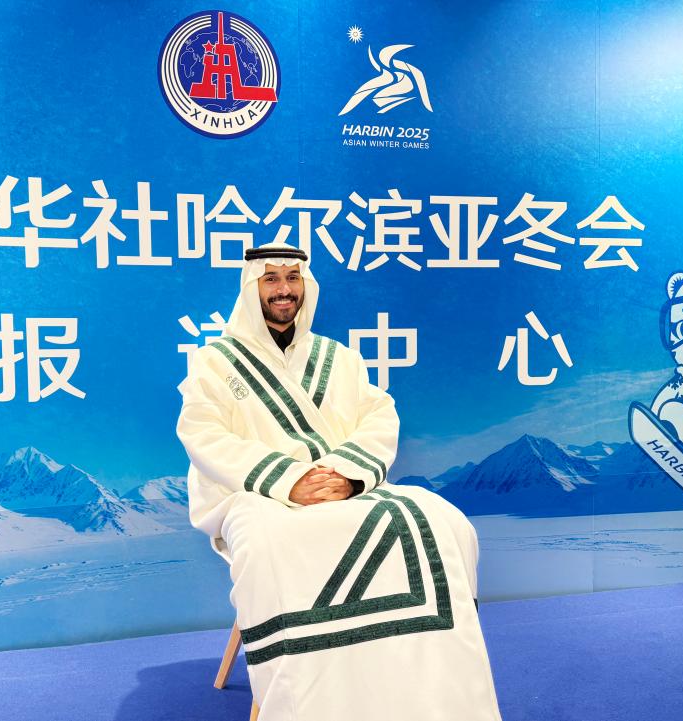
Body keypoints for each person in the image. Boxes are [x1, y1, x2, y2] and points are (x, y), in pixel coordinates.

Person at [176, 243, 501, 721]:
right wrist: (290, 480)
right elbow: (203, 432)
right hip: (261, 494)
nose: (284, 289)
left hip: (343, 487)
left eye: (293, 278)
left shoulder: (338, 357)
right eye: (271, 279)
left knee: (439, 519)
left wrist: (346, 476)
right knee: (269, 543)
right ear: (251, 288)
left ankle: (430, 690)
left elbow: (378, 415)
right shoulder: (215, 361)